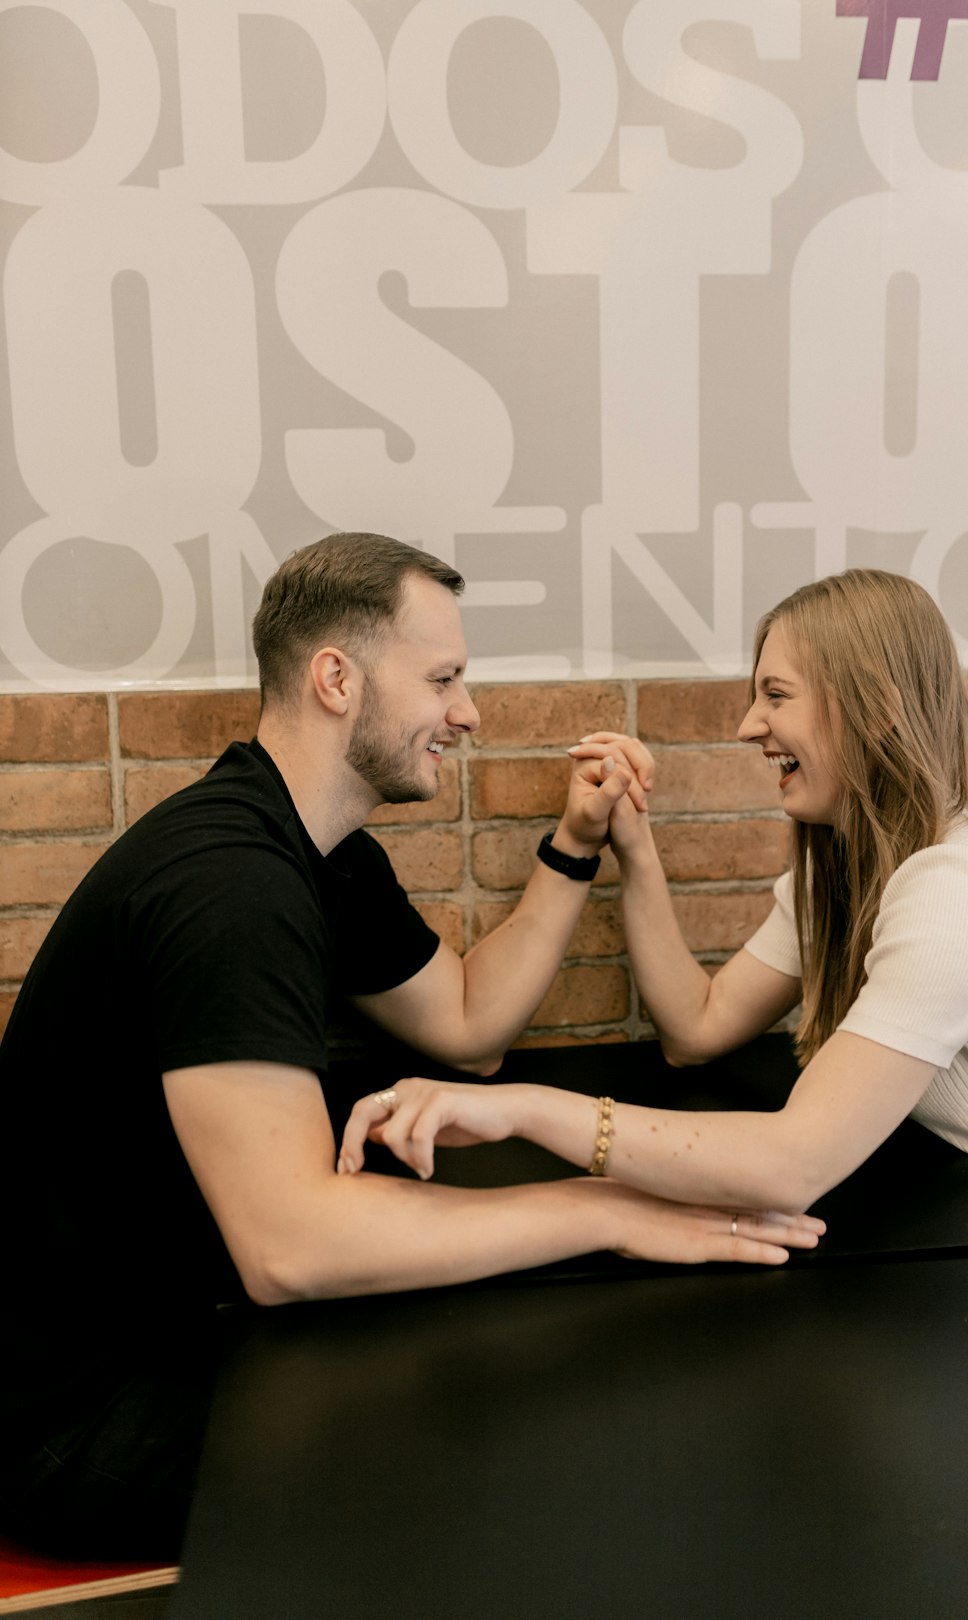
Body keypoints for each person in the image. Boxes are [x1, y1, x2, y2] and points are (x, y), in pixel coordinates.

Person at [0, 533, 822, 1562]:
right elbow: (290, 1248)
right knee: (536, 1429)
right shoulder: (233, 888)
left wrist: (576, 843)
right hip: (82, 1425)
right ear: (335, 679)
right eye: (443, 679)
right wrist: (609, 1210)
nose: (468, 712)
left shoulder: (315, 854)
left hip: (181, 1327)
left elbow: (470, 1028)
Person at [339, 569, 968, 1247]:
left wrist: (522, 1110)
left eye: (777, 696)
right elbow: (696, 1027)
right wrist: (632, 843)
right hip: (963, 1217)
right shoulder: (849, 872)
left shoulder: (956, 899)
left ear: (878, 709)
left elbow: (791, 1163)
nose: (748, 725)